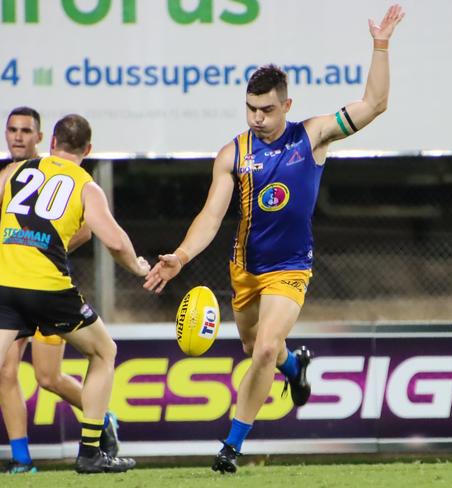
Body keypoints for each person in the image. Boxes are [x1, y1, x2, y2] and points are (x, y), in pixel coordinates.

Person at [144, 4, 405, 474]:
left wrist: (381, 46)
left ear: (286, 105)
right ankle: (295, 366)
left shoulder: (313, 136)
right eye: (251, 108)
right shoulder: (233, 154)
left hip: (291, 266)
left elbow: (375, 104)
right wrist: (181, 256)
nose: (257, 117)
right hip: (245, 267)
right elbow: (211, 214)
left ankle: (230, 447)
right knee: (256, 349)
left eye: (267, 109)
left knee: (263, 349)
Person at [0, 113, 150, 478]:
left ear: (50, 142)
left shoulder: (17, 172)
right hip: (48, 289)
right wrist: (139, 268)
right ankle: (90, 452)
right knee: (104, 352)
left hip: (1, 287)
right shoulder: (86, 185)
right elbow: (113, 239)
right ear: (88, 149)